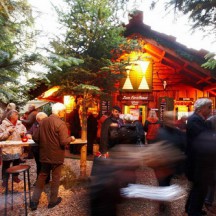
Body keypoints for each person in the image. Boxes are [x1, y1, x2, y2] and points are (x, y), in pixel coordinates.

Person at [30, 103, 75, 211]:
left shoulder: (43, 121)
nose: (64, 113)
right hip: (56, 156)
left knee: (41, 176)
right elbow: (64, 141)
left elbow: (35, 137)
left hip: (44, 155)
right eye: (63, 111)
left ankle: (34, 201)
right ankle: (52, 201)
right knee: (55, 178)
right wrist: (71, 138)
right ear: (59, 112)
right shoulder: (60, 123)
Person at [153, 111, 186, 215]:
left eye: (172, 119)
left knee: (166, 184)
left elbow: (183, 148)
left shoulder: (178, 133)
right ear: (165, 120)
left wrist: (181, 168)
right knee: (162, 184)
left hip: (172, 166)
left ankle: (163, 202)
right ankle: (162, 204)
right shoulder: (160, 132)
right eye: (169, 119)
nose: (171, 121)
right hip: (161, 166)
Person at [185, 98, 213, 216]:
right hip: (196, 161)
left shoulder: (199, 120)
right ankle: (193, 211)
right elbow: (203, 138)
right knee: (200, 188)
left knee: (198, 187)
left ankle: (190, 208)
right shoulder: (194, 120)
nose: (211, 109)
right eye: (209, 107)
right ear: (201, 108)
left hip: (199, 161)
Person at [0, 110, 27, 187]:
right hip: (7, 149)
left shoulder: (19, 124)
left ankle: (15, 176)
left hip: (17, 148)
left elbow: (24, 131)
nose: (18, 116)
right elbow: (0, 136)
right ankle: (5, 180)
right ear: (12, 116)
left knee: (16, 162)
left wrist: (23, 134)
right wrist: (8, 132)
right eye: (16, 115)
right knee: (6, 164)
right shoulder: (3, 125)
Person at [26, 112, 50, 185]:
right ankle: (40, 180)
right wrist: (28, 134)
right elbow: (29, 132)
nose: (38, 121)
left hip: (45, 148)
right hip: (36, 148)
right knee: (38, 164)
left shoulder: (48, 125)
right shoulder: (35, 124)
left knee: (45, 164)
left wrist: (33, 136)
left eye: (38, 120)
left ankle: (44, 180)